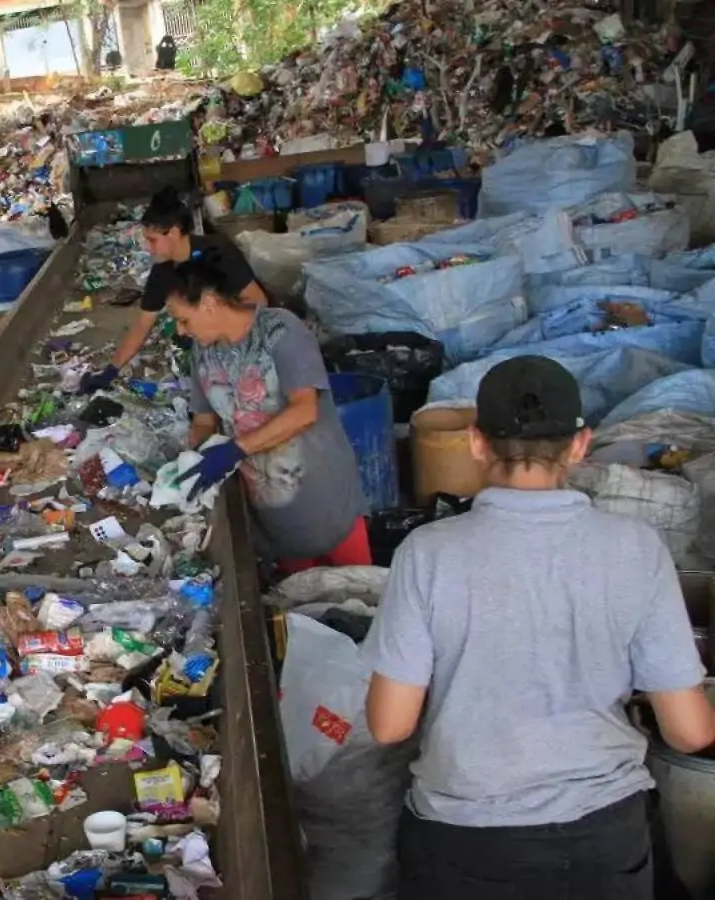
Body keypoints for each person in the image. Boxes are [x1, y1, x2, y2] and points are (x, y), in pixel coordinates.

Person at [363, 356, 715, 900]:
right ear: (580, 446)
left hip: (464, 842)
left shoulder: (427, 553)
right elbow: (691, 732)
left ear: (476, 443)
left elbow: (389, 724)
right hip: (603, 842)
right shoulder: (636, 548)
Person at [167, 249, 369, 569]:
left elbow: (305, 411)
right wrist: (194, 458)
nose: (180, 331)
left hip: (324, 498)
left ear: (208, 303)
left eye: (183, 320)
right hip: (274, 514)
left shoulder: (280, 331)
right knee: (301, 605)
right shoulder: (202, 355)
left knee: (360, 595)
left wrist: (235, 449)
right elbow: (204, 420)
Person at [83, 187, 265, 392]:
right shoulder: (163, 271)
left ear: (174, 233)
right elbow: (143, 324)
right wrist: (110, 371)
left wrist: (228, 338)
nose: (149, 248)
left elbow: (258, 301)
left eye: (153, 240)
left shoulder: (218, 252)